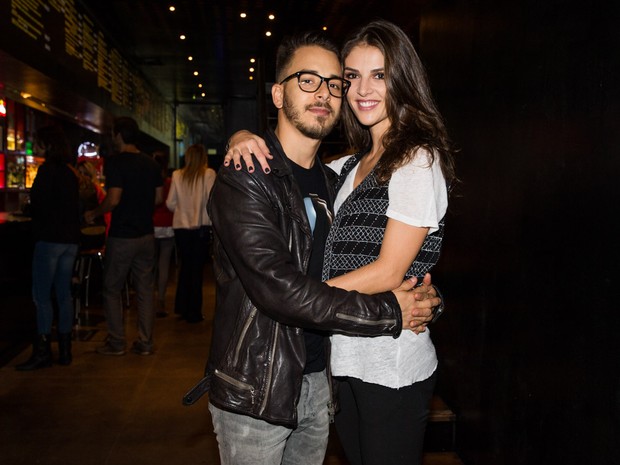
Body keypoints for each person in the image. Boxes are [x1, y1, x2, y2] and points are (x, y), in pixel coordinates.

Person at [183, 31, 442, 465]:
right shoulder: (247, 176)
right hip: (260, 389)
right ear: (278, 93)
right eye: (308, 80)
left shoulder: (333, 178)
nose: (324, 93)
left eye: (333, 83)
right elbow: (279, 290)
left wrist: (427, 296)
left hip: (322, 380)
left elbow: (389, 255)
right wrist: (393, 310)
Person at [84, 117, 163, 356]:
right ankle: (145, 342)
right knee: (145, 290)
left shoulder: (116, 163)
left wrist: (94, 213)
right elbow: (158, 199)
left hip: (122, 235)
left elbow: (113, 198)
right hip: (146, 235)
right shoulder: (151, 164)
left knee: (112, 289)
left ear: (118, 135)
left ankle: (117, 342)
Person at [16, 125, 80, 370]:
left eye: (38, 142)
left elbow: (39, 207)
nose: (36, 146)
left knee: (41, 297)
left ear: (47, 145)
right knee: (63, 295)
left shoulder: (45, 171)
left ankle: (42, 353)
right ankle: (65, 352)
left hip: (50, 239)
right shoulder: (69, 172)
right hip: (70, 241)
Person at [165, 143, 216, 323]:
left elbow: (170, 203)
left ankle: (181, 307)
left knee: (185, 267)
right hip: (201, 227)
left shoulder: (177, 175)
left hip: (181, 227)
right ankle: (194, 311)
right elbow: (212, 201)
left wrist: (182, 210)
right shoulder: (209, 174)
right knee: (197, 270)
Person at [152, 151, 174, 317]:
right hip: (168, 225)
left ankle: (148, 299)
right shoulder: (170, 182)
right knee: (164, 264)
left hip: (151, 224)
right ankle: (161, 299)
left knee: (149, 265)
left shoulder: (149, 182)